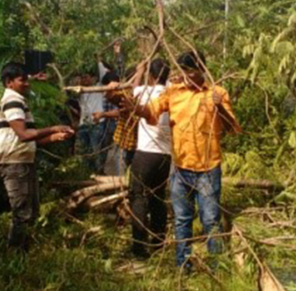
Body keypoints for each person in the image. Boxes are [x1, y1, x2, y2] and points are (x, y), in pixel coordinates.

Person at [126, 51, 241, 268]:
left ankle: (217, 268)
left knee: (210, 220)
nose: (185, 75)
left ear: (201, 69)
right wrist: (136, 109)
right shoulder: (174, 93)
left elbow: (232, 128)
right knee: (181, 221)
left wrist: (219, 108)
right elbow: (151, 111)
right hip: (180, 169)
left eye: (189, 70)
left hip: (208, 168)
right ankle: (183, 266)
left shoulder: (217, 93)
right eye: (182, 71)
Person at [0, 62, 75, 250]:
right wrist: (53, 128)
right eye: (22, 80)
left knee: (30, 212)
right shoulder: (12, 100)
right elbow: (24, 135)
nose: (27, 84)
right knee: (22, 213)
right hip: (15, 163)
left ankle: (23, 256)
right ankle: (14, 257)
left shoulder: (18, 101)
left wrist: (54, 137)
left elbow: (29, 140)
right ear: (9, 82)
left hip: (23, 161)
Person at [125, 59, 171, 258]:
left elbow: (132, 89)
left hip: (146, 153)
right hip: (165, 155)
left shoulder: (145, 92)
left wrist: (138, 70)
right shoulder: (173, 94)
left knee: (138, 197)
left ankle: (139, 246)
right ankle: (158, 240)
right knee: (158, 197)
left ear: (151, 76)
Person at [76, 71, 106, 173]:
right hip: (83, 124)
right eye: (82, 78)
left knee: (96, 150)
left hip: (96, 124)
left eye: (86, 77)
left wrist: (99, 59)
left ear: (93, 78)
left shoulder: (98, 88)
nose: (84, 80)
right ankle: (87, 173)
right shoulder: (79, 91)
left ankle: (99, 173)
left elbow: (103, 73)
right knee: (84, 151)